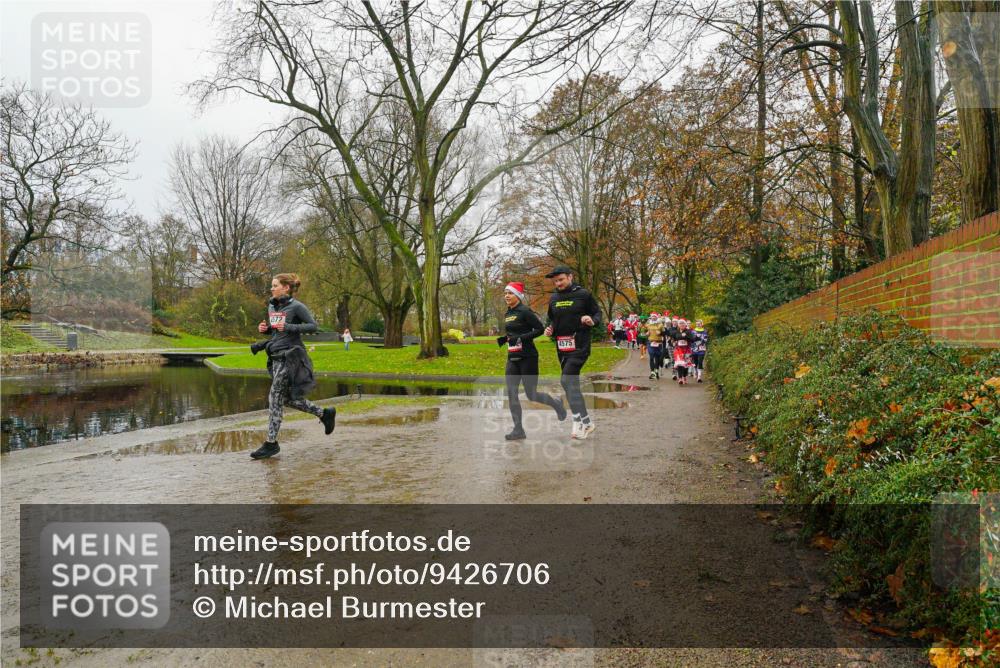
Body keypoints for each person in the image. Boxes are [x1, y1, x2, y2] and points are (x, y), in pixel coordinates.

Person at [248, 273, 337, 459]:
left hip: (291, 358)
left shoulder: (297, 307)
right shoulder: (272, 305)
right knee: (287, 399)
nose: (271, 288)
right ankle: (324, 413)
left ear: (286, 287)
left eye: (274, 285)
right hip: (276, 358)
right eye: (271, 286)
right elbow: (276, 331)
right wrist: (266, 329)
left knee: (274, 397)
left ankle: (271, 443)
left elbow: (313, 326)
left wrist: (289, 327)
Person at [498, 281, 568, 440]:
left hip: (528, 357)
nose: (506, 296)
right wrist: (506, 339)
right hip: (512, 358)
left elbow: (539, 330)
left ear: (517, 295)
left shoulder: (525, 311)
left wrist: (520, 338)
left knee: (531, 394)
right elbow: (513, 333)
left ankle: (556, 403)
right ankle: (518, 430)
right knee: (511, 393)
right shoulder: (508, 314)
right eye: (505, 293)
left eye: (509, 293)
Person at [543, 265, 602, 440]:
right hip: (562, 347)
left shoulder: (583, 295)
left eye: (560, 279)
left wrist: (592, 320)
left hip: (580, 346)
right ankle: (587, 422)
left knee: (566, 380)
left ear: (570, 277)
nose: (558, 283)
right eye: (555, 281)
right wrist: (551, 329)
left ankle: (578, 421)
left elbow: (597, 313)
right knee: (570, 385)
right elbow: (552, 319)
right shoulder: (554, 298)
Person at [642, 312, 667, 379]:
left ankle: (656, 371)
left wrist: (661, 333)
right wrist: (646, 333)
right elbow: (643, 331)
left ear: (657, 317)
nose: (653, 317)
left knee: (657, 358)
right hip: (650, 342)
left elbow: (665, 333)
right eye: (652, 316)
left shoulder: (660, 325)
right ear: (651, 317)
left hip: (659, 343)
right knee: (652, 356)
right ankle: (652, 372)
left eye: (655, 316)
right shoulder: (648, 324)